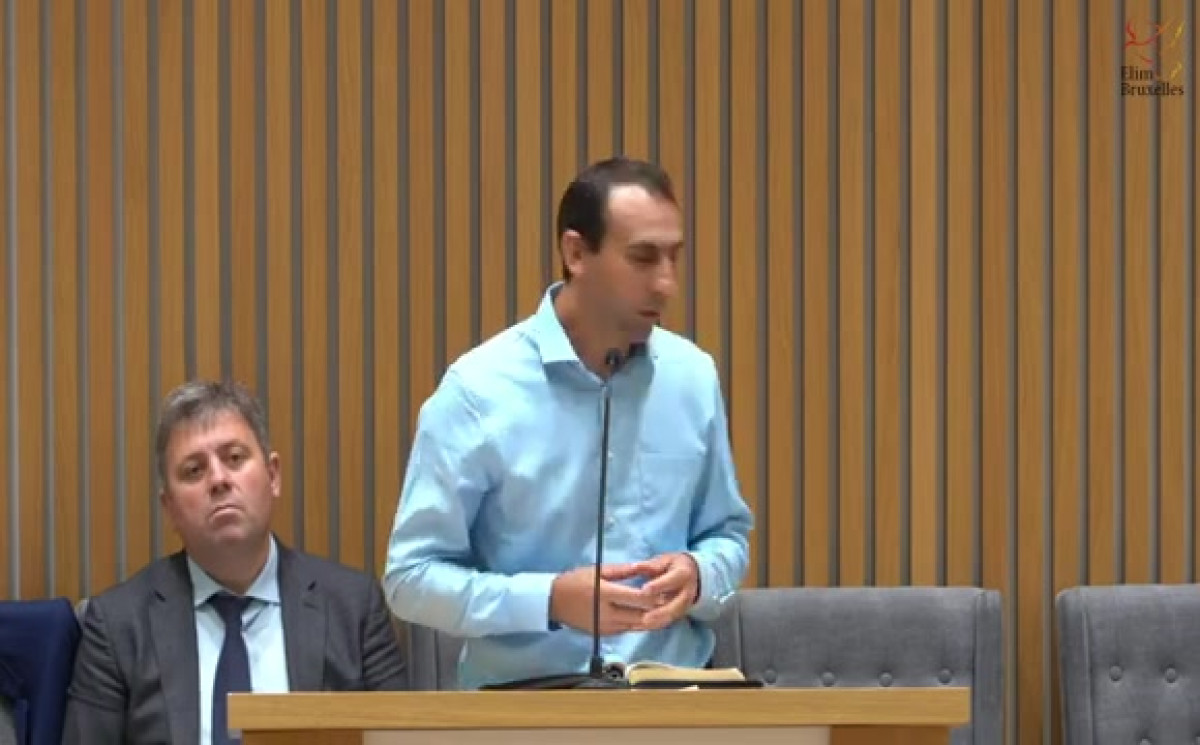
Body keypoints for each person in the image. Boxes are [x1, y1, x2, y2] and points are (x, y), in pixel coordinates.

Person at [382, 156, 753, 690]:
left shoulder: (692, 377)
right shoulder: (477, 391)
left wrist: (698, 576)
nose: (666, 283)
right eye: (643, 258)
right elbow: (411, 580)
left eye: (674, 257)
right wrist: (550, 599)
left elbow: (728, 536)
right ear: (576, 253)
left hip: (674, 696)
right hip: (526, 705)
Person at [63, 380, 406, 745]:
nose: (218, 480)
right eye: (193, 470)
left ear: (273, 476)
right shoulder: (118, 625)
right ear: (170, 508)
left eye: (234, 458)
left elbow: (403, 737)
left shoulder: (354, 608)